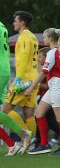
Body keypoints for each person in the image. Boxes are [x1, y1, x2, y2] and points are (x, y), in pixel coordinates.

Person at [25, 30, 60, 154]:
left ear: (50, 38)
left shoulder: (51, 52)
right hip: (58, 86)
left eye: (45, 37)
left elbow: (44, 72)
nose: (43, 39)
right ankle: (44, 145)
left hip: (57, 86)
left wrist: (31, 87)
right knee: (39, 113)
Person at [3, 11, 39, 155]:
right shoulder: (33, 37)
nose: (14, 23)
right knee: (28, 112)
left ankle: (25, 134)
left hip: (23, 80)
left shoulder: (24, 37)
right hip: (33, 78)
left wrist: (18, 79)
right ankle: (29, 143)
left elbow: (23, 58)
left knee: (5, 110)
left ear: (22, 22)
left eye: (15, 20)